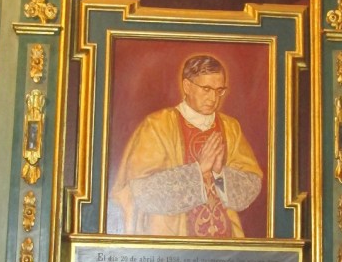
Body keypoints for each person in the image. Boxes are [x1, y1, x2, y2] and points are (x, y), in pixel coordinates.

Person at [110, 55, 262, 237]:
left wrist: (219, 173)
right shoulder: (158, 125)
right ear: (187, 86)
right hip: (172, 239)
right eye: (206, 89)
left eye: (219, 90)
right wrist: (198, 171)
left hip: (225, 241)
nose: (213, 98)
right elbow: (142, 191)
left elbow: (252, 183)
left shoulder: (231, 128)